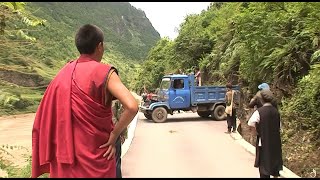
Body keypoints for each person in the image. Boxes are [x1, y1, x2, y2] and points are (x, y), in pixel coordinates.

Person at [31, 24, 138, 178]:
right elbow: (132, 106)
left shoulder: (62, 75)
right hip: (99, 156)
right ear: (100, 46)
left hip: (68, 160)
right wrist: (114, 135)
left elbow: (45, 117)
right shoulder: (105, 72)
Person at [247, 89, 283, 178]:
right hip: (275, 143)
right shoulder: (276, 112)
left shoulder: (259, 112)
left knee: (264, 166)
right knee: (274, 164)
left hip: (263, 142)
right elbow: (280, 126)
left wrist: (256, 133)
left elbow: (250, 123)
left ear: (261, 100)